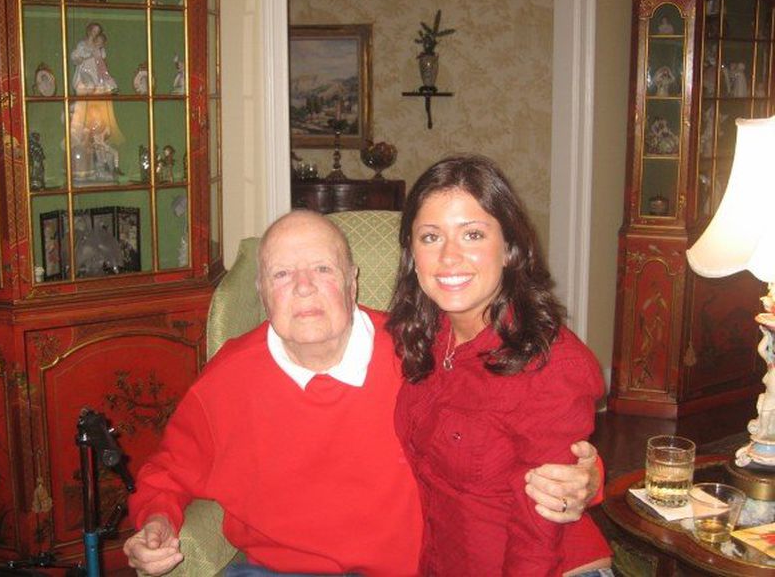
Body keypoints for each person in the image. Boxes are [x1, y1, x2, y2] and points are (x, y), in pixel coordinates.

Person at [124, 210, 604, 576]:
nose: (305, 288)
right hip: (276, 569)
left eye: (323, 270)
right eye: (282, 275)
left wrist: (585, 474)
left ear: (352, 283)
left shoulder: (420, 353)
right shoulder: (227, 378)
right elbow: (168, 474)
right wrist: (155, 522)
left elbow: (521, 424)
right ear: (261, 291)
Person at [387, 155, 612, 576]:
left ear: (509, 248)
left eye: (472, 234)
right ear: (412, 255)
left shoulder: (551, 364)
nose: (449, 257)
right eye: (431, 237)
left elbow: (536, 536)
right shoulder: (421, 334)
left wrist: (591, 477)